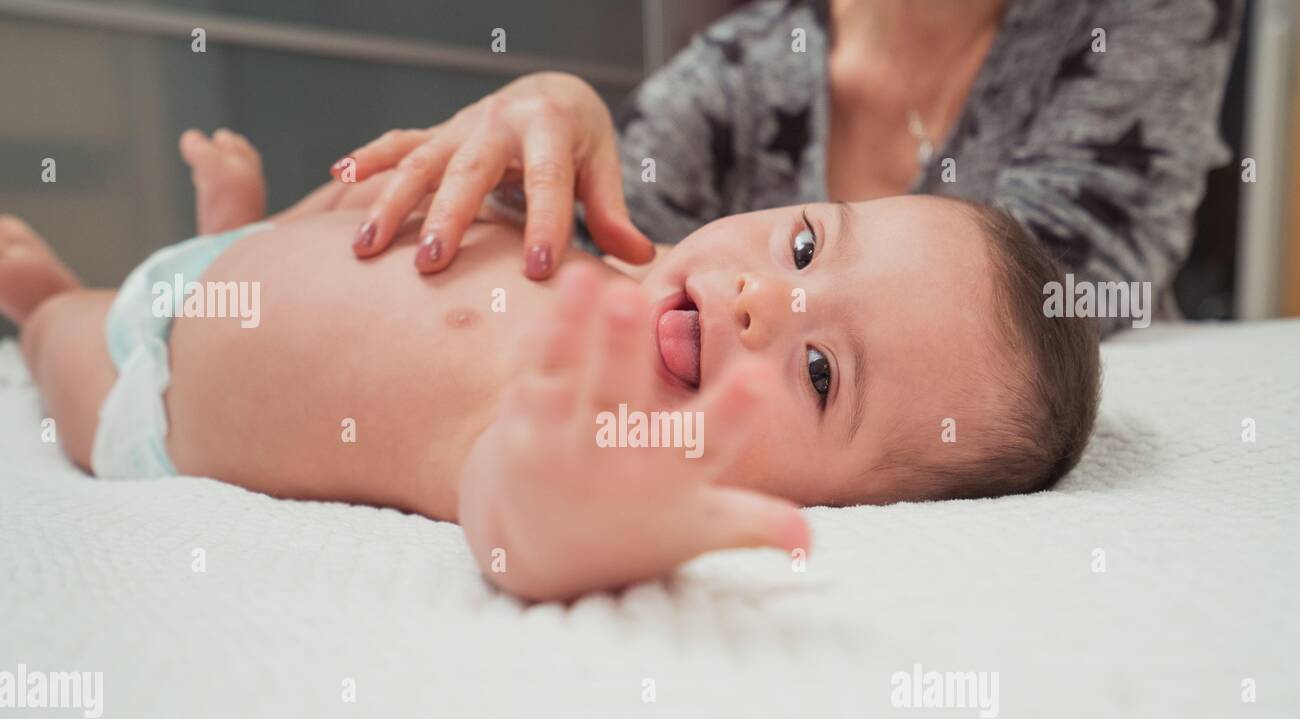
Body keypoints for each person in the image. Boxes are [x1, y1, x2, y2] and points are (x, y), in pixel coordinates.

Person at [1, 130, 1097, 601]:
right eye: (804, 246)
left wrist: (581, 513)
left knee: (65, 349)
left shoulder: (601, 428)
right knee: (353, 211)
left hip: (161, 387)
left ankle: (47, 298)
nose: (769, 299)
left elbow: (514, 511)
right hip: (259, 261)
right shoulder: (620, 247)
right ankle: (244, 227)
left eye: (820, 374)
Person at [334, 0, 1243, 335]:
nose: (762, 305)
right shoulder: (741, 68)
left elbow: (1047, 300)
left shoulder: (1144, 15)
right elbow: (581, 267)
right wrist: (541, 162)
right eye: (801, 246)